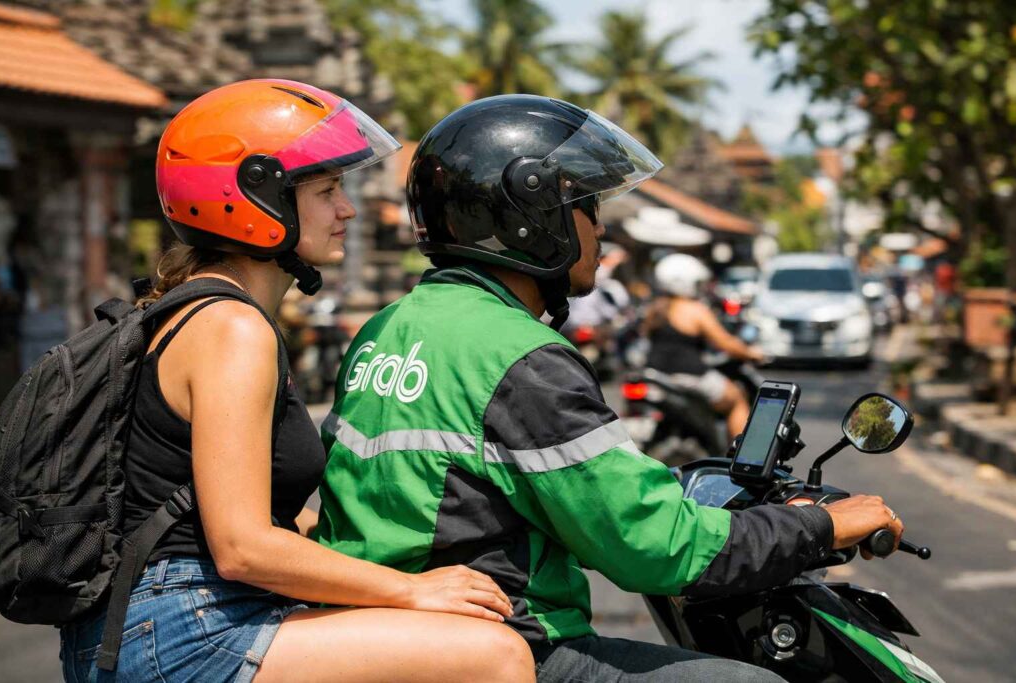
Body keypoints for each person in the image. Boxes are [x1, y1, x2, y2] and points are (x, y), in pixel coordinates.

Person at [314, 94, 906, 682]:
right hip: (500, 642)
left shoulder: (386, 327)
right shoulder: (519, 355)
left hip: (382, 628)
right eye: (586, 205)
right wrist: (818, 524)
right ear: (531, 216)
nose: (599, 226)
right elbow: (654, 544)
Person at [58, 80, 534, 683]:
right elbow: (243, 548)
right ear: (257, 195)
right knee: (492, 654)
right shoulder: (232, 328)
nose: (348, 210)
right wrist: (410, 589)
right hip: (180, 627)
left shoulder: (195, 309)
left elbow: (229, 518)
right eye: (328, 190)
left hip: (153, 620)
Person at [643, 253, 764, 440]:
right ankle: (741, 458)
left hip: (654, 374)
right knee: (737, 398)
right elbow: (725, 343)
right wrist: (751, 353)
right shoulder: (693, 309)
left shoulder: (654, 308)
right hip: (690, 376)